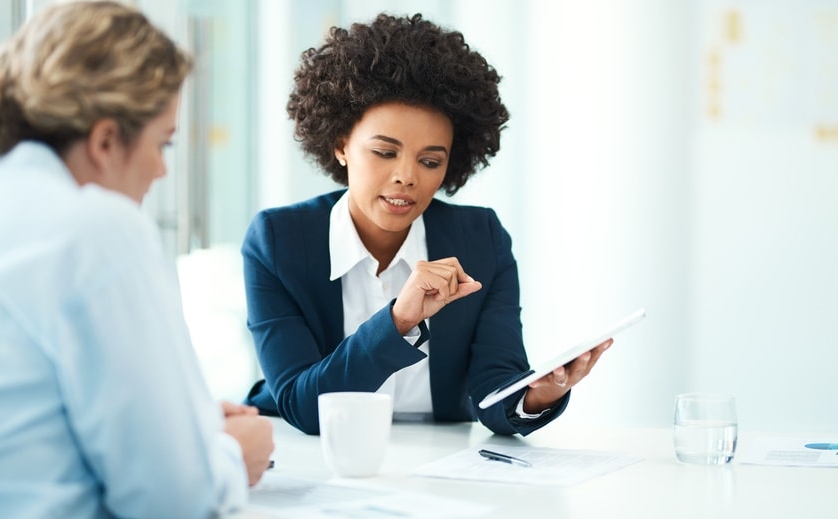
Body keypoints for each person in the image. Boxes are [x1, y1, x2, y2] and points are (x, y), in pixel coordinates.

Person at [0, 2, 273, 519]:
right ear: (104, 141)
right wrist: (230, 454)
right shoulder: (94, 227)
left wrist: (179, 427)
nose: (162, 169)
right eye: (161, 142)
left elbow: (14, 429)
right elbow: (171, 497)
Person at [242, 13, 614, 436]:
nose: (408, 176)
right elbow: (305, 407)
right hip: (305, 452)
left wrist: (536, 395)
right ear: (341, 144)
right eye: (385, 152)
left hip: (439, 459)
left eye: (430, 161)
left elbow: (495, 386)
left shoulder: (481, 239)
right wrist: (399, 320)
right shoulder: (277, 241)